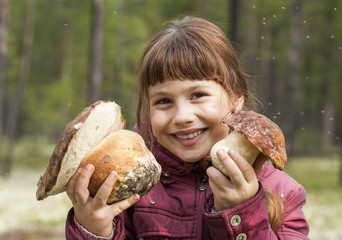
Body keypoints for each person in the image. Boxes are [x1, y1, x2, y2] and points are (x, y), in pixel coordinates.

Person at [65, 16, 309, 239]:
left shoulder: (283, 192)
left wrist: (242, 213)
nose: (182, 116)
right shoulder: (124, 186)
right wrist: (93, 230)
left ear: (237, 99)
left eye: (198, 95)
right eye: (163, 101)